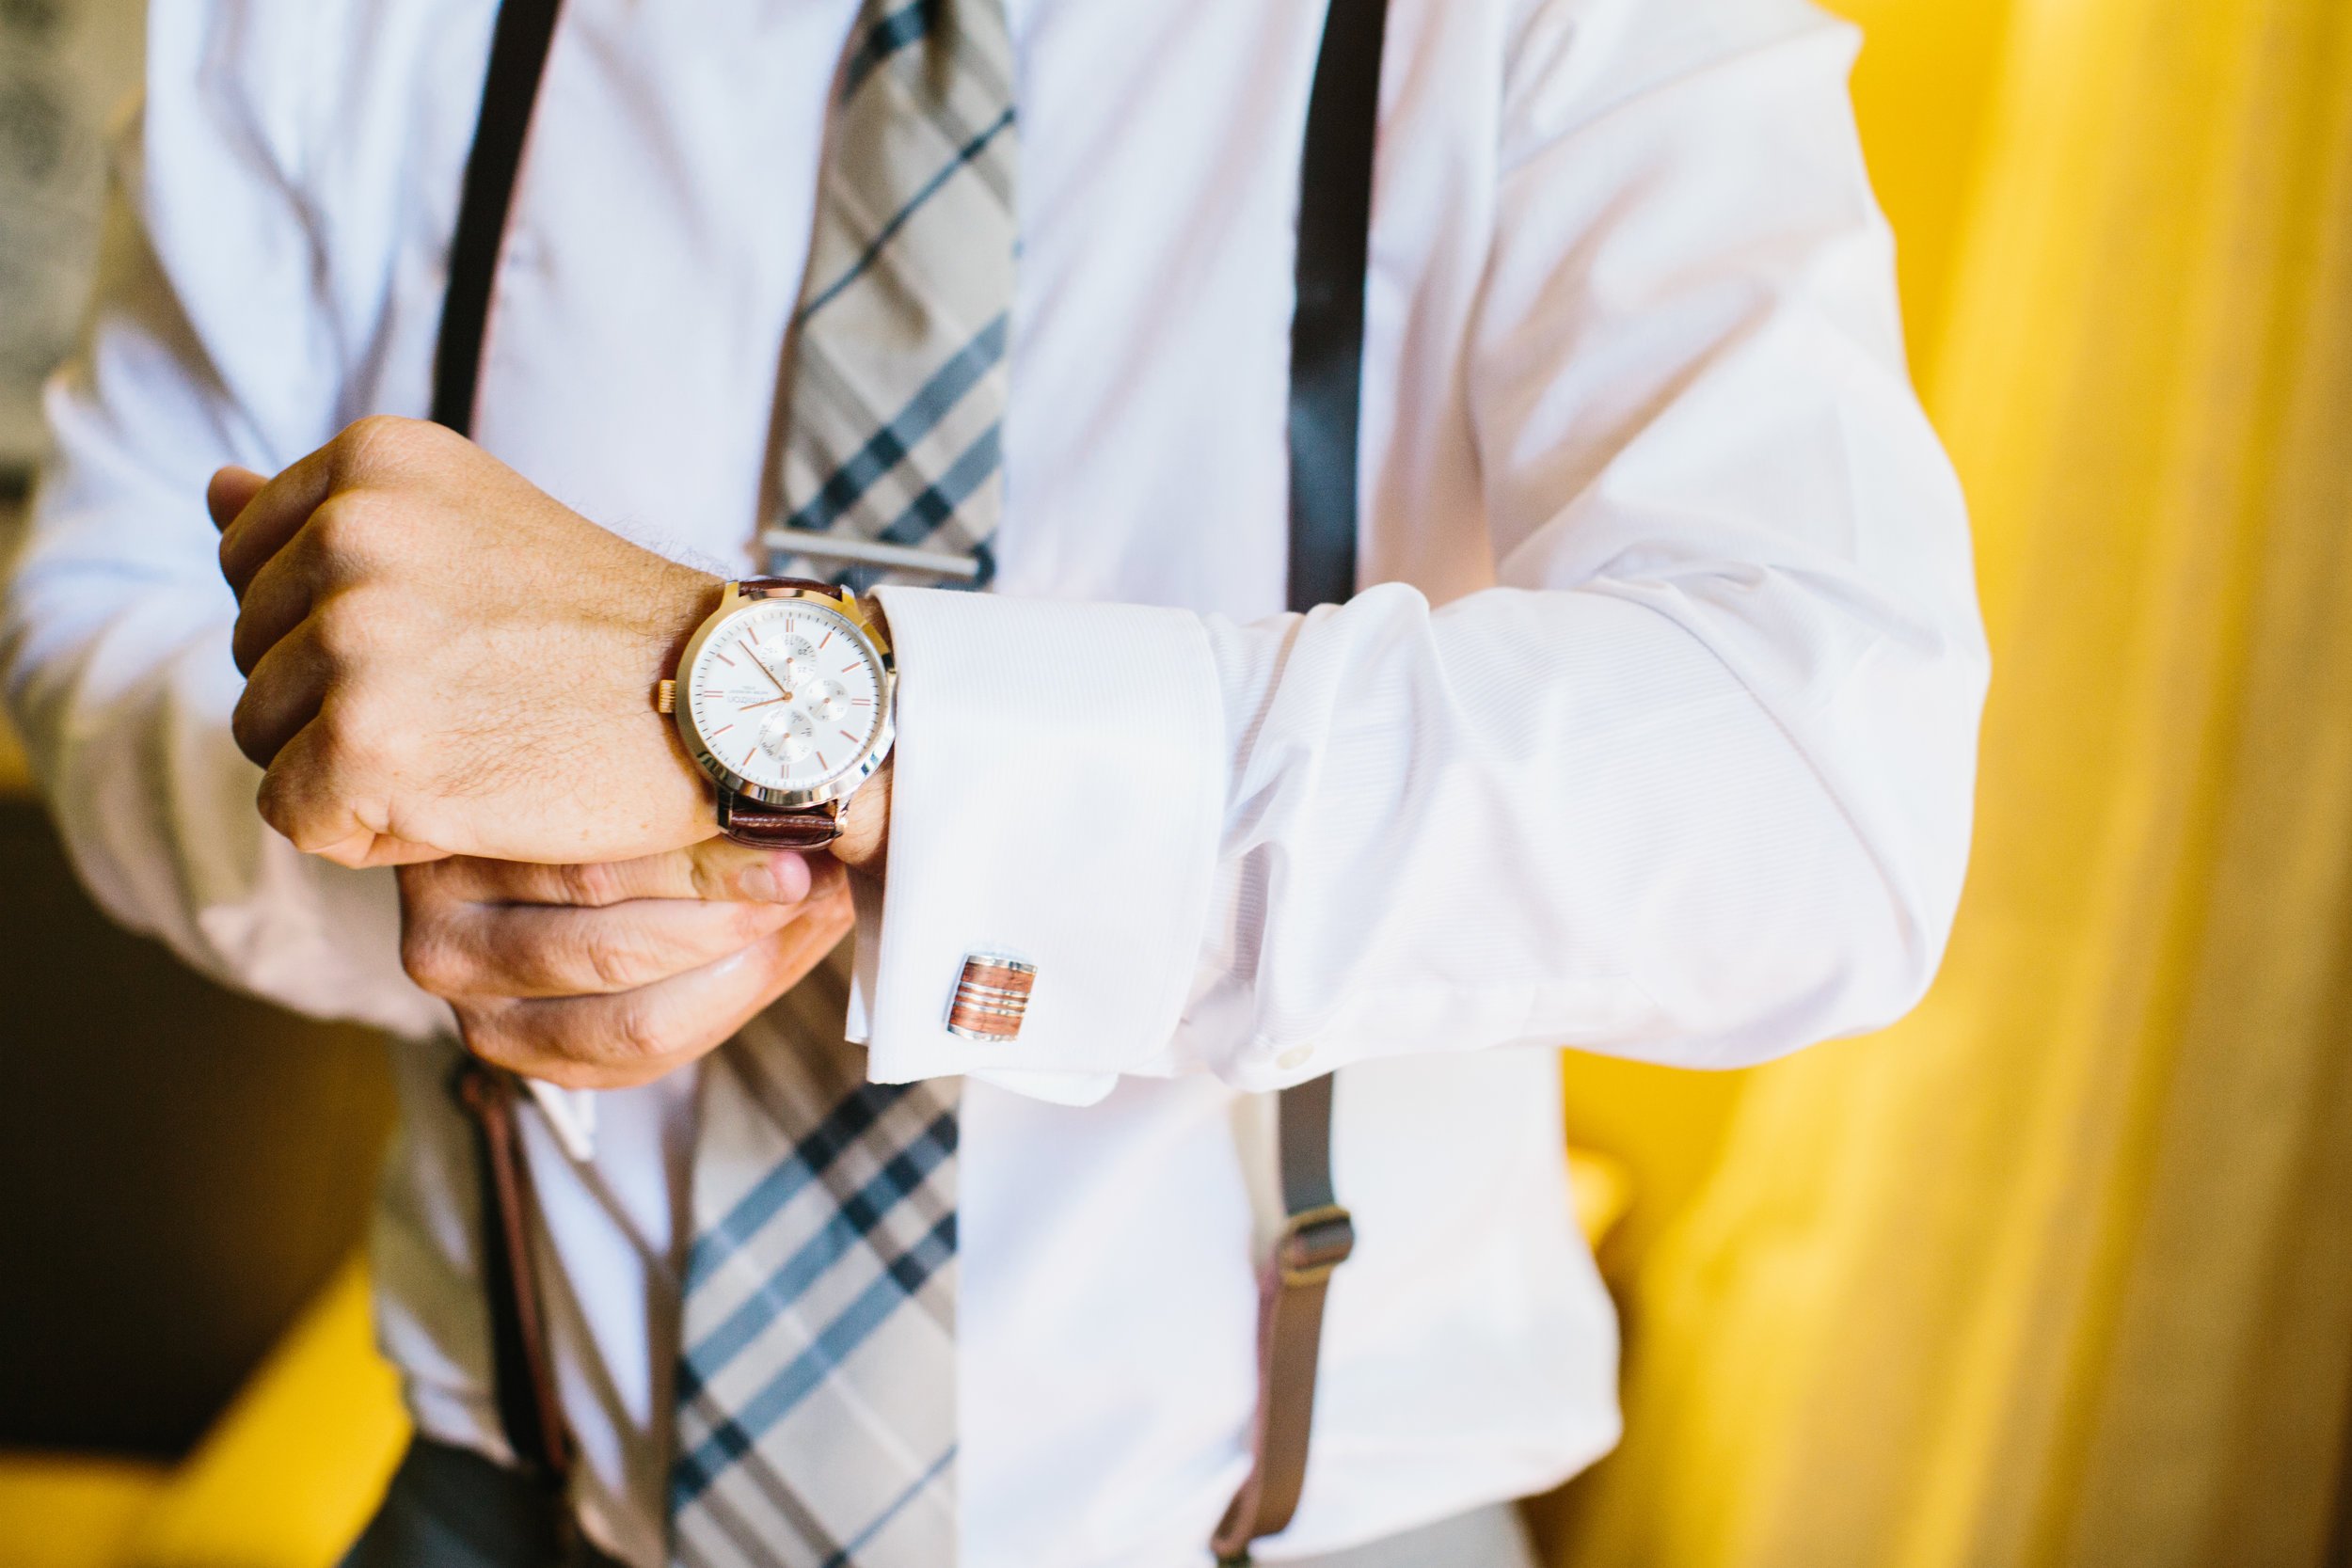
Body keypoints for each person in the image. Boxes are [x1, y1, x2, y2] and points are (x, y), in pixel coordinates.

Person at [0, 0, 1988, 1562]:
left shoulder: (1573, 21)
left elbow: (1809, 785)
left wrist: (817, 717)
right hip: (506, 1517)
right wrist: (426, 837)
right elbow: (99, 627)